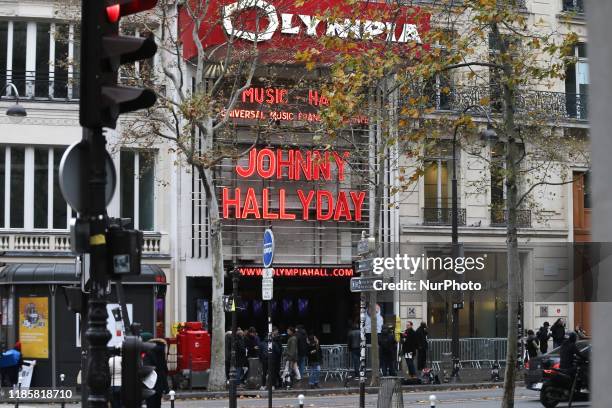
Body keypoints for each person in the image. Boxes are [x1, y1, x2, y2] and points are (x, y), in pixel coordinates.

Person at [142, 334, 170, 408]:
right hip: (160, 382)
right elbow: (165, 369)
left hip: (150, 383)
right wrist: (166, 386)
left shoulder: (148, 352)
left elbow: (146, 369)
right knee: (158, 404)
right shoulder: (161, 351)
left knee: (150, 404)